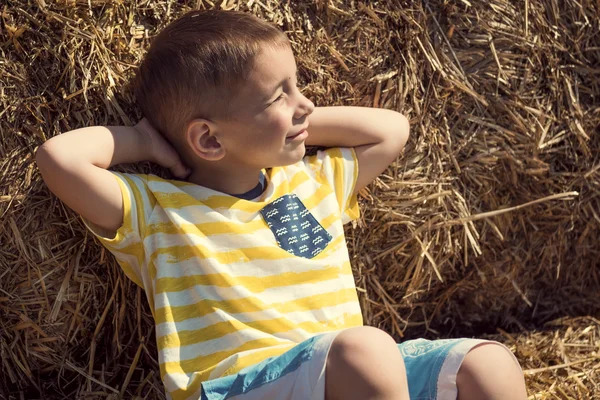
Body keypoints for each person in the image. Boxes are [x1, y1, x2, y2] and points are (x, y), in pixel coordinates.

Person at [36, 9, 527, 400]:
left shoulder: (312, 182)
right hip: (240, 387)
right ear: (207, 139)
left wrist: (288, 123)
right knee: (367, 350)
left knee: (488, 363)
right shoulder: (161, 212)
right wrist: (146, 141)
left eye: (298, 86)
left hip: (350, 375)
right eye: (279, 96)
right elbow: (60, 160)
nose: (306, 105)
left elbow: (391, 129)